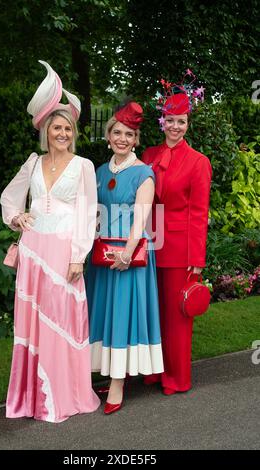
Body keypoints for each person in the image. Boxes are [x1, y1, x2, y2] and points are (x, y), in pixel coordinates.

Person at [0, 60, 100, 422]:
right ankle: (30, 398)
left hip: (62, 252)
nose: (62, 133)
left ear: (74, 132)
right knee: (32, 322)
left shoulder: (84, 166)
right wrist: (17, 217)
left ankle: (63, 395)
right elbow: (11, 198)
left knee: (61, 320)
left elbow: (87, 214)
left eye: (68, 128)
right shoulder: (33, 162)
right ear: (46, 130)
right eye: (57, 127)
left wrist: (78, 256)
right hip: (32, 250)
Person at [85, 101, 164, 415]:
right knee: (104, 312)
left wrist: (127, 254)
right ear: (108, 135)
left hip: (129, 256)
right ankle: (108, 371)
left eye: (128, 134)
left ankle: (118, 383)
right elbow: (95, 214)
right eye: (116, 132)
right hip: (102, 255)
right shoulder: (100, 171)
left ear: (136, 139)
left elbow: (141, 220)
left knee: (122, 314)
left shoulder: (144, 173)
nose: (122, 138)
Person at [142, 73, 212, 395]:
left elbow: (200, 213)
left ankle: (177, 378)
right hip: (149, 243)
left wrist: (197, 259)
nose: (175, 127)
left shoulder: (199, 162)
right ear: (162, 121)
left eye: (181, 121)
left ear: (187, 123)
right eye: (170, 120)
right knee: (152, 312)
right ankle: (154, 372)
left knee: (178, 318)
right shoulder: (148, 156)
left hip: (180, 248)